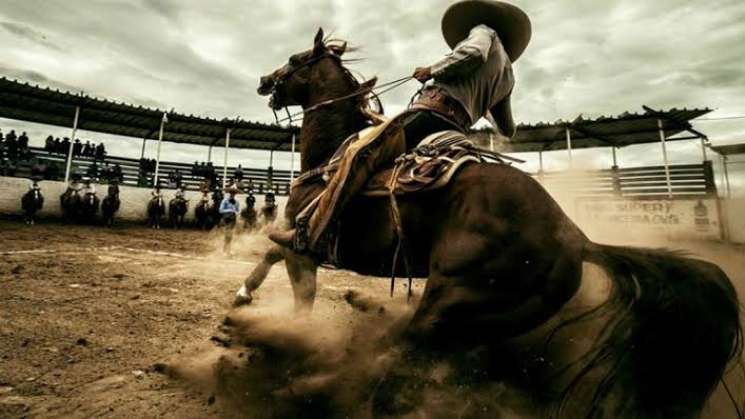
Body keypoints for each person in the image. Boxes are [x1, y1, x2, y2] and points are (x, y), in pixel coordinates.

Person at [270, 0, 528, 253]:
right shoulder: (508, 76)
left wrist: (432, 69)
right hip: (455, 131)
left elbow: (473, 53)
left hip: (429, 116)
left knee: (360, 153)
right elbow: (507, 130)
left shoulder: (484, 31)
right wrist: (479, 106)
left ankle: (312, 232)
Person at [219, 186, 241, 255]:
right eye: (231, 192)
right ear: (229, 193)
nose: (233, 194)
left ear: (235, 194)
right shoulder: (225, 201)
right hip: (226, 219)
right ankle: (224, 251)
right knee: (227, 235)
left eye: (234, 193)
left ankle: (228, 250)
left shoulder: (237, 202)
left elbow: (237, 211)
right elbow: (220, 210)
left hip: (233, 219)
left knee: (230, 235)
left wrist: (236, 212)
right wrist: (230, 210)